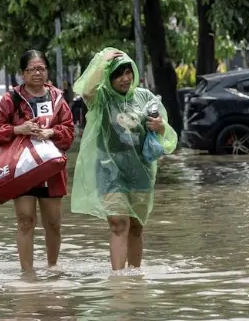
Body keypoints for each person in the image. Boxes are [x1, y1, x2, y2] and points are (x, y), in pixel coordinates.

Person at [70, 48, 178, 271]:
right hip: (109, 171)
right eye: (119, 74)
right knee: (119, 224)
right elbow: (86, 90)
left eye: (128, 72)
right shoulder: (102, 99)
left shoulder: (145, 97)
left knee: (137, 226)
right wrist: (102, 62)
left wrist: (161, 126)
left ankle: (135, 277)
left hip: (141, 171)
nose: (125, 78)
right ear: (110, 78)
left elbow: (165, 134)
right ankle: (118, 280)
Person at [0, 50, 75, 272]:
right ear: (22, 73)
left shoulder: (57, 98)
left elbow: (69, 131)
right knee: (25, 220)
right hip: (22, 169)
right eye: (32, 69)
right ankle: (27, 275)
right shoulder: (11, 99)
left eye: (41, 69)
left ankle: (53, 268)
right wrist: (18, 129)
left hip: (52, 169)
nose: (37, 73)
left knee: (54, 223)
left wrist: (51, 132)